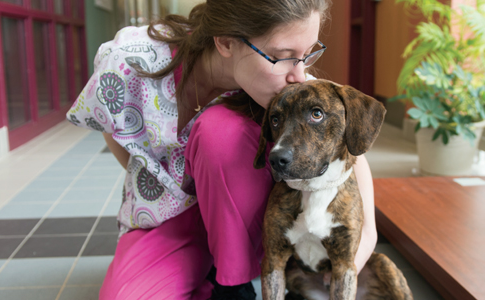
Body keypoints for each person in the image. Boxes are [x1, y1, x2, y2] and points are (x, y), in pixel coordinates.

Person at [66, 0, 378, 299]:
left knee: (221, 132)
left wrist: (368, 236)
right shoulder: (128, 62)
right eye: (283, 55)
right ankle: (202, 273)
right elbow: (114, 128)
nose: (298, 74)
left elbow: (349, 146)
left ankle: (234, 282)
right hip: (168, 217)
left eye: (307, 54)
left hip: (247, 219)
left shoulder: (286, 81)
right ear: (226, 43)